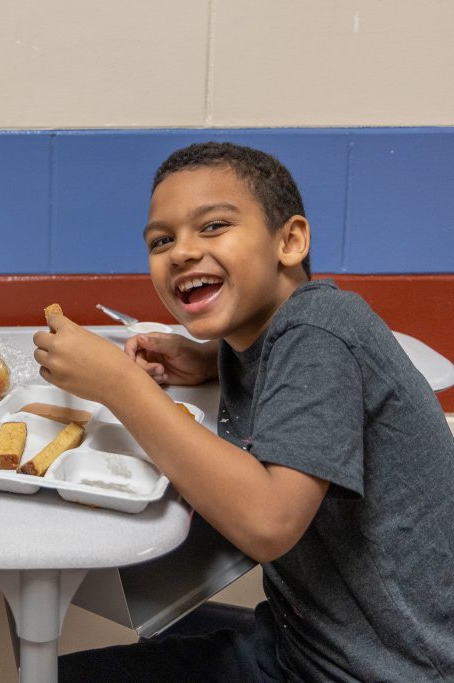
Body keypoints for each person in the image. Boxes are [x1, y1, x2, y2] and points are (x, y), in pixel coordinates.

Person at [35, 142, 454, 681]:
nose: (182, 252)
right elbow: (283, 366)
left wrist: (120, 385)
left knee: (48, 671)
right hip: (304, 643)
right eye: (162, 240)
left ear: (290, 241)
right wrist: (209, 360)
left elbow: (269, 521)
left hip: (382, 670)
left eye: (212, 226)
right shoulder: (265, 340)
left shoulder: (321, 329)